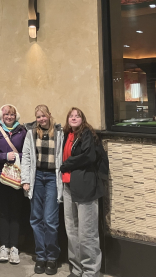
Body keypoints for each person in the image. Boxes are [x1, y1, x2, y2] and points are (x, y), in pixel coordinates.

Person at [60, 107, 103, 277]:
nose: (74, 118)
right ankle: (76, 269)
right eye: (71, 115)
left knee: (87, 233)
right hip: (68, 187)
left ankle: (91, 271)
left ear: (82, 119)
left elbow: (88, 156)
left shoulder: (87, 134)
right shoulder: (66, 135)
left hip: (85, 188)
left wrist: (67, 164)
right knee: (71, 231)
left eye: (77, 116)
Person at [21, 105, 64, 275]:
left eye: (43, 116)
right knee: (36, 218)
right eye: (38, 117)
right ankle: (40, 256)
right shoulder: (31, 133)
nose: (41, 119)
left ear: (49, 115)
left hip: (53, 178)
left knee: (50, 220)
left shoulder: (59, 133)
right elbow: (26, 156)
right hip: (36, 177)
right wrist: (25, 180)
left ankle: (52, 256)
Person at [0, 104, 27, 265]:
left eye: (11, 115)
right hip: (0, 178)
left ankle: (14, 247)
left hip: (17, 177)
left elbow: (28, 153)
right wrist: (5, 156)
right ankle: (4, 245)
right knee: (3, 212)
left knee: (16, 213)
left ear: (15, 116)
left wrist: (17, 156)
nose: (9, 117)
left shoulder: (22, 132)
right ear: (1, 117)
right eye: (6, 115)